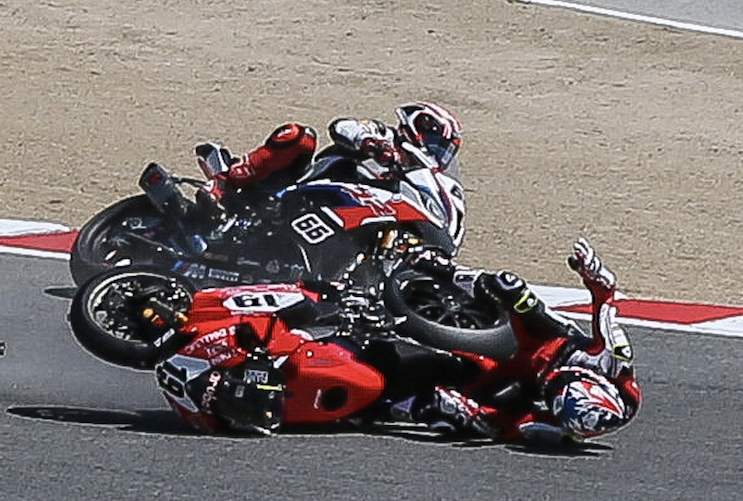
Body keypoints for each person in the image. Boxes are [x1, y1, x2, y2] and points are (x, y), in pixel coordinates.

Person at [390, 238, 642, 444]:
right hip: (550, 337)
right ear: (593, 380)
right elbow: (605, 301)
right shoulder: (615, 362)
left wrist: (468, 411)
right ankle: (434, 265)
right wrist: (592, 275)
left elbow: (510, 426)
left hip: (525, 377)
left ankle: (390, 404)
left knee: (452, 409)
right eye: (561, 384)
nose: (554, 384)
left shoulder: (566, 428)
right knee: (509, 286)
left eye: (554, 397)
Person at [192, 101, 464, 217]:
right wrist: (373, 145)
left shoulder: (417, 184)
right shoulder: (385, 136)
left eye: (445, 151)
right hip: (300, 189)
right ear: (422, 129)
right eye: (438, 145)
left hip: (340, 217)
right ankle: (226, 180)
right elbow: (343, 126)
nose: (438, 154)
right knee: (300, 137)